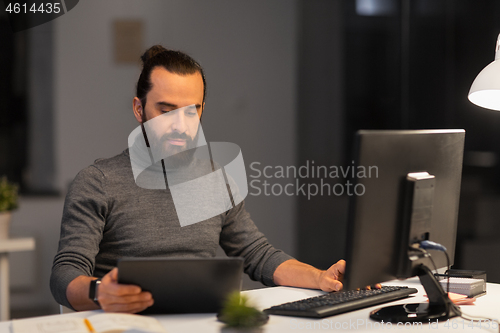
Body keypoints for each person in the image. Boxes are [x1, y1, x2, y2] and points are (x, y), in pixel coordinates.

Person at [50, 45, 346, 314]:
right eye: (165, 111)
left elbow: (258, 254)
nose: (180, 126)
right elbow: (66, 273)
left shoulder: (213, 180)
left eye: (192, 112)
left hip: (199, 321)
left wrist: (319, 278)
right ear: (139, 109)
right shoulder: (98, 182)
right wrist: (100, 292)